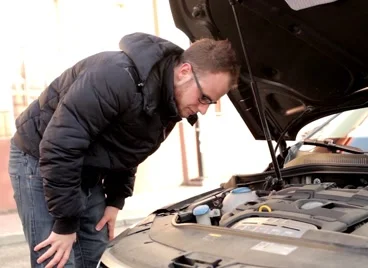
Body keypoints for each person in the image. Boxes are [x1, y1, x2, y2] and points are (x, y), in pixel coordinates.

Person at [8, 32, 240, 268]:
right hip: (40, 161)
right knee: (58, 260)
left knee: (98, 257)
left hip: (82, 165)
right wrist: (66, 224)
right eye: (203, 98)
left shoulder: (168, 101)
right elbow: (60, 146)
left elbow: (128, 147)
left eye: (210, 103)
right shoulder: (115, 76)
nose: (203, 110)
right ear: (184, 73)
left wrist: (115, 199)